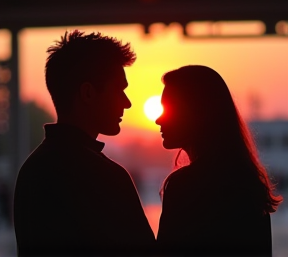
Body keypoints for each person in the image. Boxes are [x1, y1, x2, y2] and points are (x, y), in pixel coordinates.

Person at [13, 30, 155, 257]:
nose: (127, 103)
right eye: (119, 89)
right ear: (88, 93)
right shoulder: (106, 176)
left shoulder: (30, 171)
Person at [155, 65, 282, 257]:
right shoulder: (250, 184)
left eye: (168, 109)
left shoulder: (184, 186)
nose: (158, 119)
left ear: (196, 114)